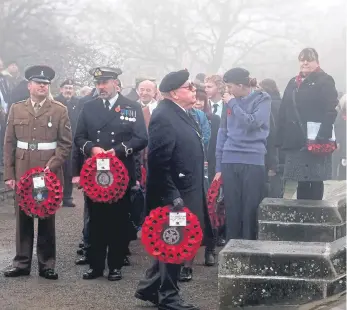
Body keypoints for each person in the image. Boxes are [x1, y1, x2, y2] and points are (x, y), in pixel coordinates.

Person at [135, 69, 213, 310]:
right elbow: (158, 162)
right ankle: (168, 297)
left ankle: (150, 288)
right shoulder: (164, 116)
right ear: (173, 93)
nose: (193, 90)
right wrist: (172, 195)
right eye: (188, 87)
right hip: (175, 194)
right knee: (174, 243)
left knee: (175, 243)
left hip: (189, 188)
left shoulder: (184, 114)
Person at [73, 67, 148, 281]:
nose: (101, 87)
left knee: (118, 220)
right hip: (94, 174)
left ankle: (115, 265)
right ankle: (96, 265)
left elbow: (141, 138)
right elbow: (78, 138)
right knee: (95, 220)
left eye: (105, 82)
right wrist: (91, 149)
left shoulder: (131, 107)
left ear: (116, 83)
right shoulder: (88, 107)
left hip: (121, 172)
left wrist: (117, 151)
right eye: (98, 83)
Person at [3, 65, 72, 280]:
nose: (42, 86)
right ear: (29, 85)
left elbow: (65, 143)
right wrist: (9, 174)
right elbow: (8, 143)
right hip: (23, 168)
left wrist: (53, 163)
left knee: (46, 215)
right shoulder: (17, 108)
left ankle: (46, 264)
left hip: (46, 171)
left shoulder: (59, 109)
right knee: (22, 216)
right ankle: (22, 262)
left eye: (46, 84)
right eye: (38, 83)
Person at [214, 68, 271, 241]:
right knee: (232, 208)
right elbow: (222, 133)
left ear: (240, 85)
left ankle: (249, 248)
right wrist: (218, 165)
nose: (227, 91)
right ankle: (231, 248)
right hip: (230, 158)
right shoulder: (230, 102)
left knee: (250, 208)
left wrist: (232, 104)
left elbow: (252, 123)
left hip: (253, 159)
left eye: (230, 86)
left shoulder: (263, 99)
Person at [276, 48, 338, 200]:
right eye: (302, 59)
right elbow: (284, 109)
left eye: (308, 60)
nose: (305, 63)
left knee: (315, 179)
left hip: (315, 136)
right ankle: (302, 216)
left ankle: (315, 217)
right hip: (295, 138)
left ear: (316, 62)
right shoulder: (293, 82)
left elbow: (331, 108)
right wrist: (280, 136)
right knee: (300, 180)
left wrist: (323, 133)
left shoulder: (325, 80)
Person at [55, 79, 81, 208]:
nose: (68, 91)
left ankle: (67, 197)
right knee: (56, 168)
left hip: (72, 140)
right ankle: (55, 196)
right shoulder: (54, 101)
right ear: (61, 89)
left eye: (70, 88)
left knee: (69, 169)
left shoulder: (78, 102)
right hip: (57, 141)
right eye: (66, 88)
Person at [259, 78, 284, 198]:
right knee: (278, 179)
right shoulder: (282, 103)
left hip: (270, 145)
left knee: (269, 181)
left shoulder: (266, 104)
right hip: (281, 145)